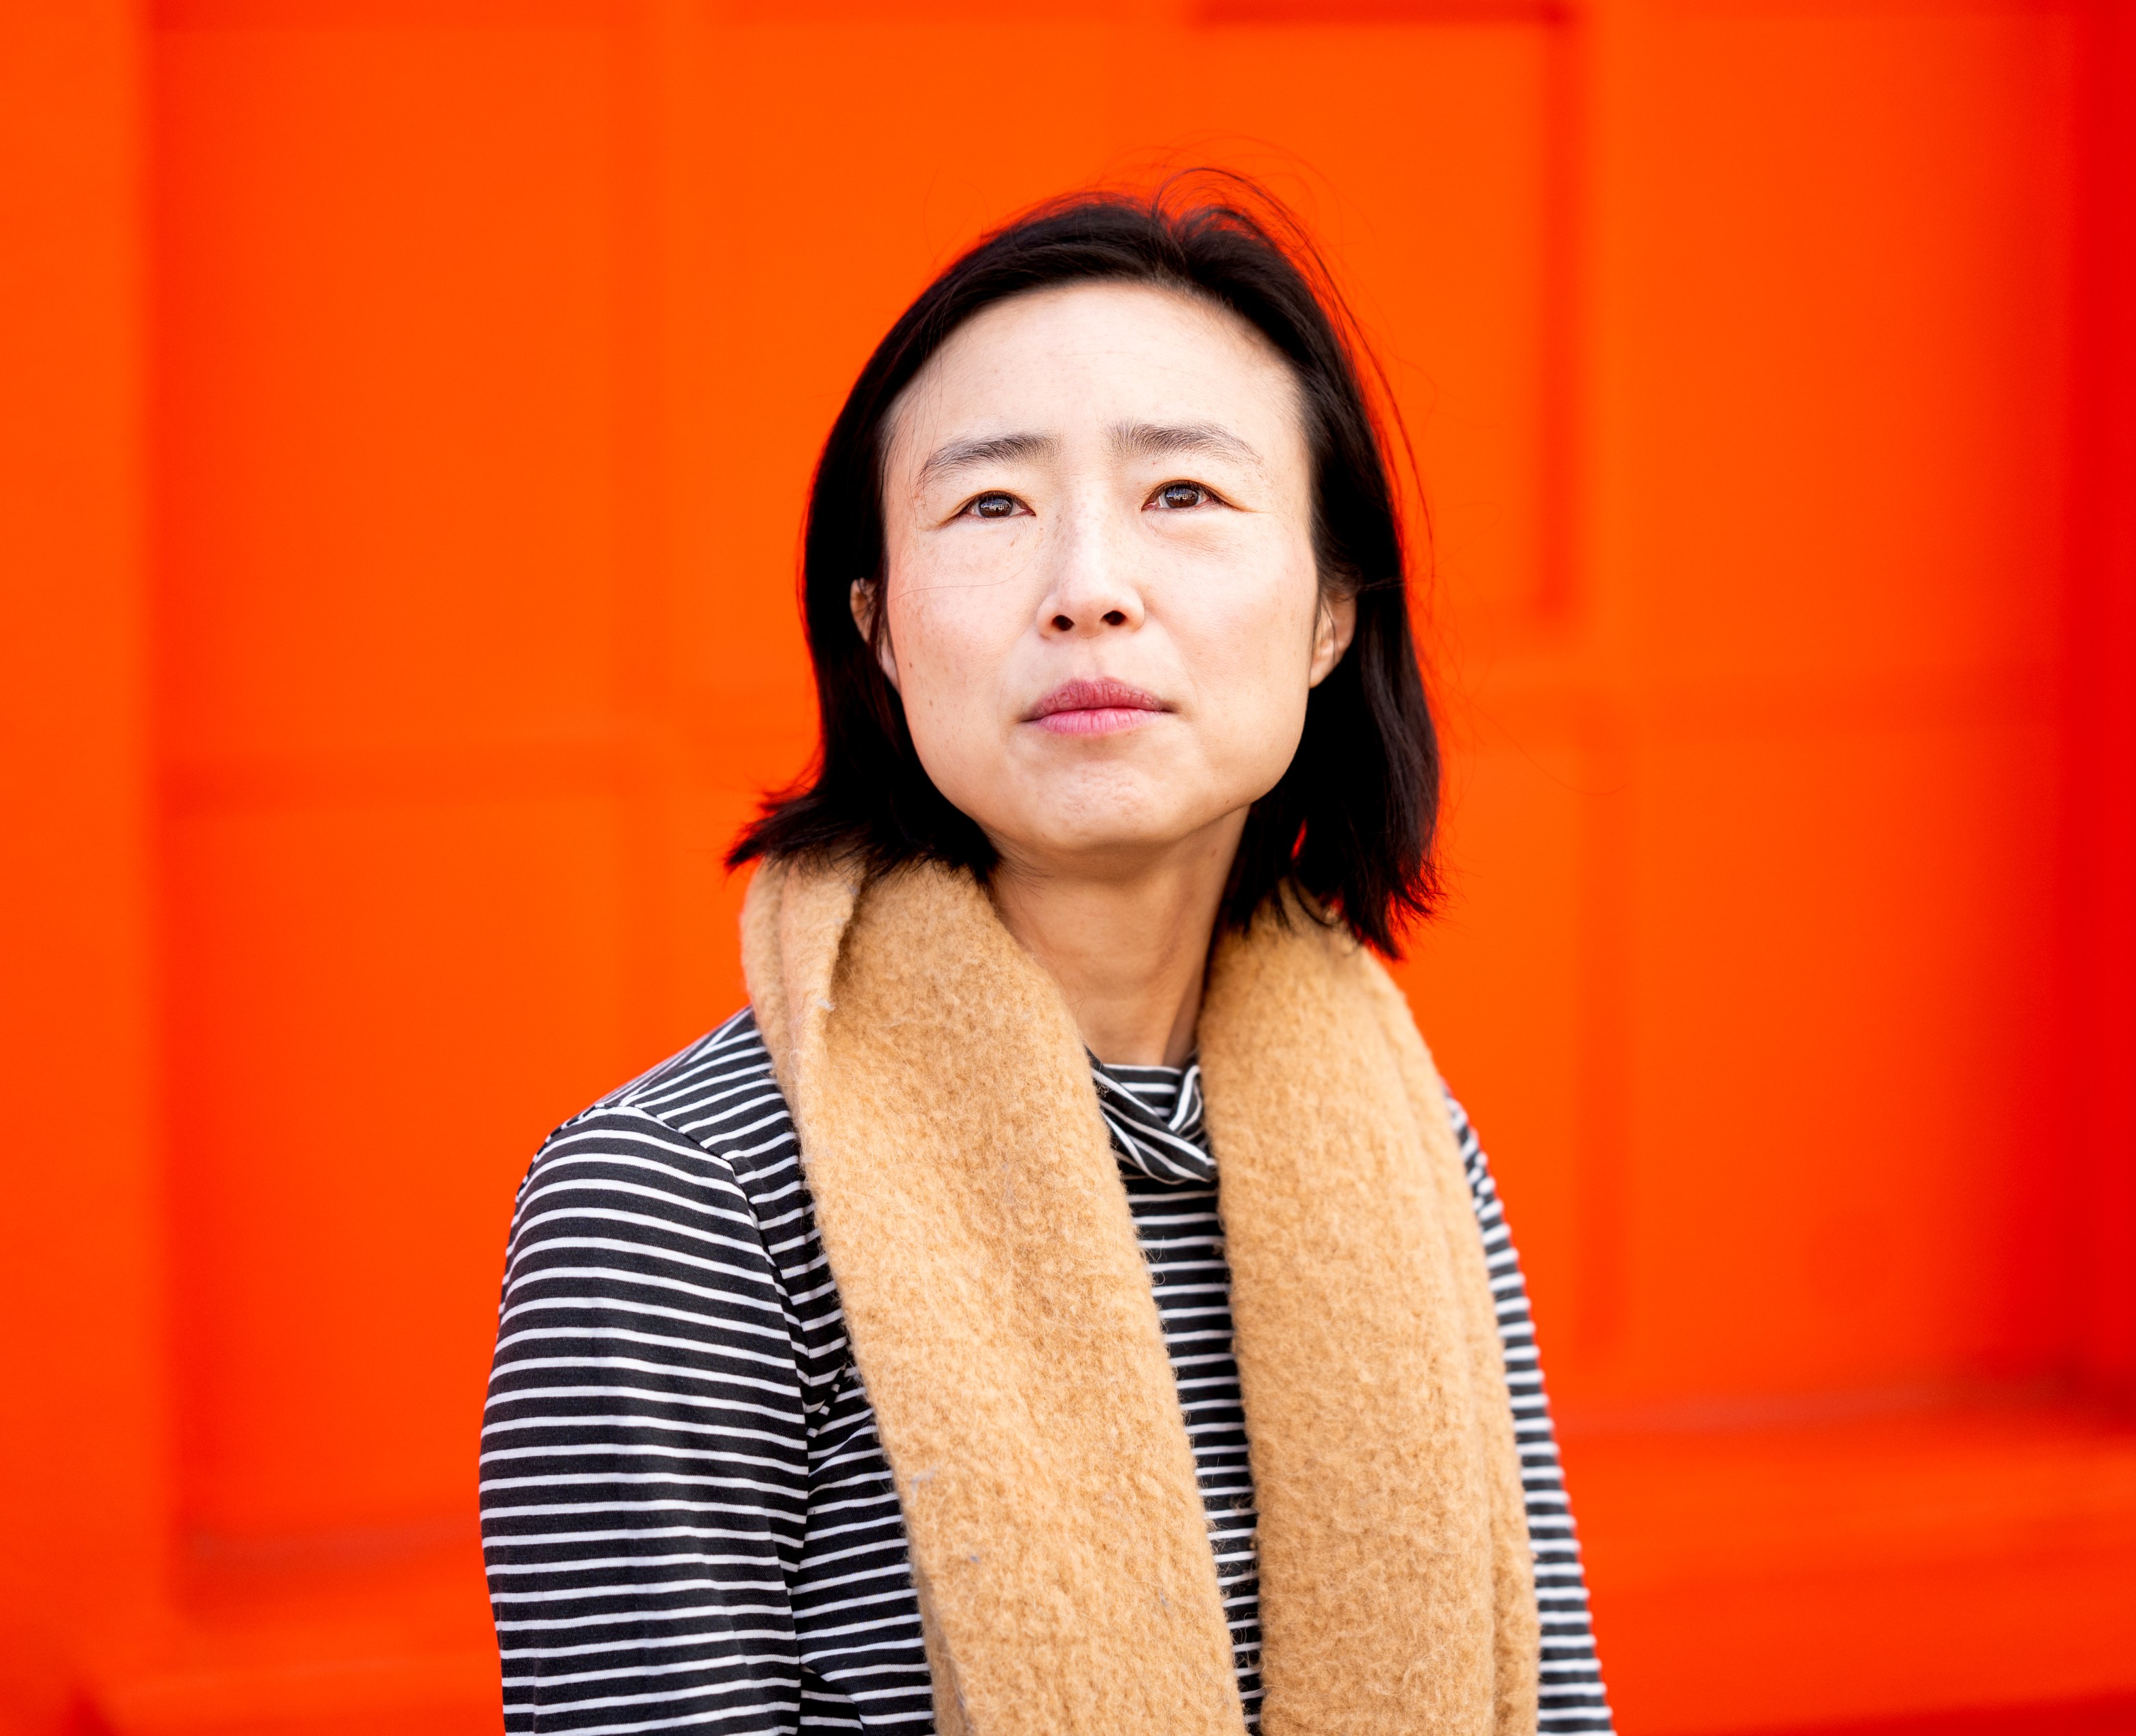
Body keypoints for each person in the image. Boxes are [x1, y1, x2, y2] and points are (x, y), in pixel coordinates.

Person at [479, 179, 1612, 1736]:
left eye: (1185, 497)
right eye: (991, 506)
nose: (1090, 583)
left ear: (1333, 613)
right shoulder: (682, 1203)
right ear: (875, 625)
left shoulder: (1413, 1148)